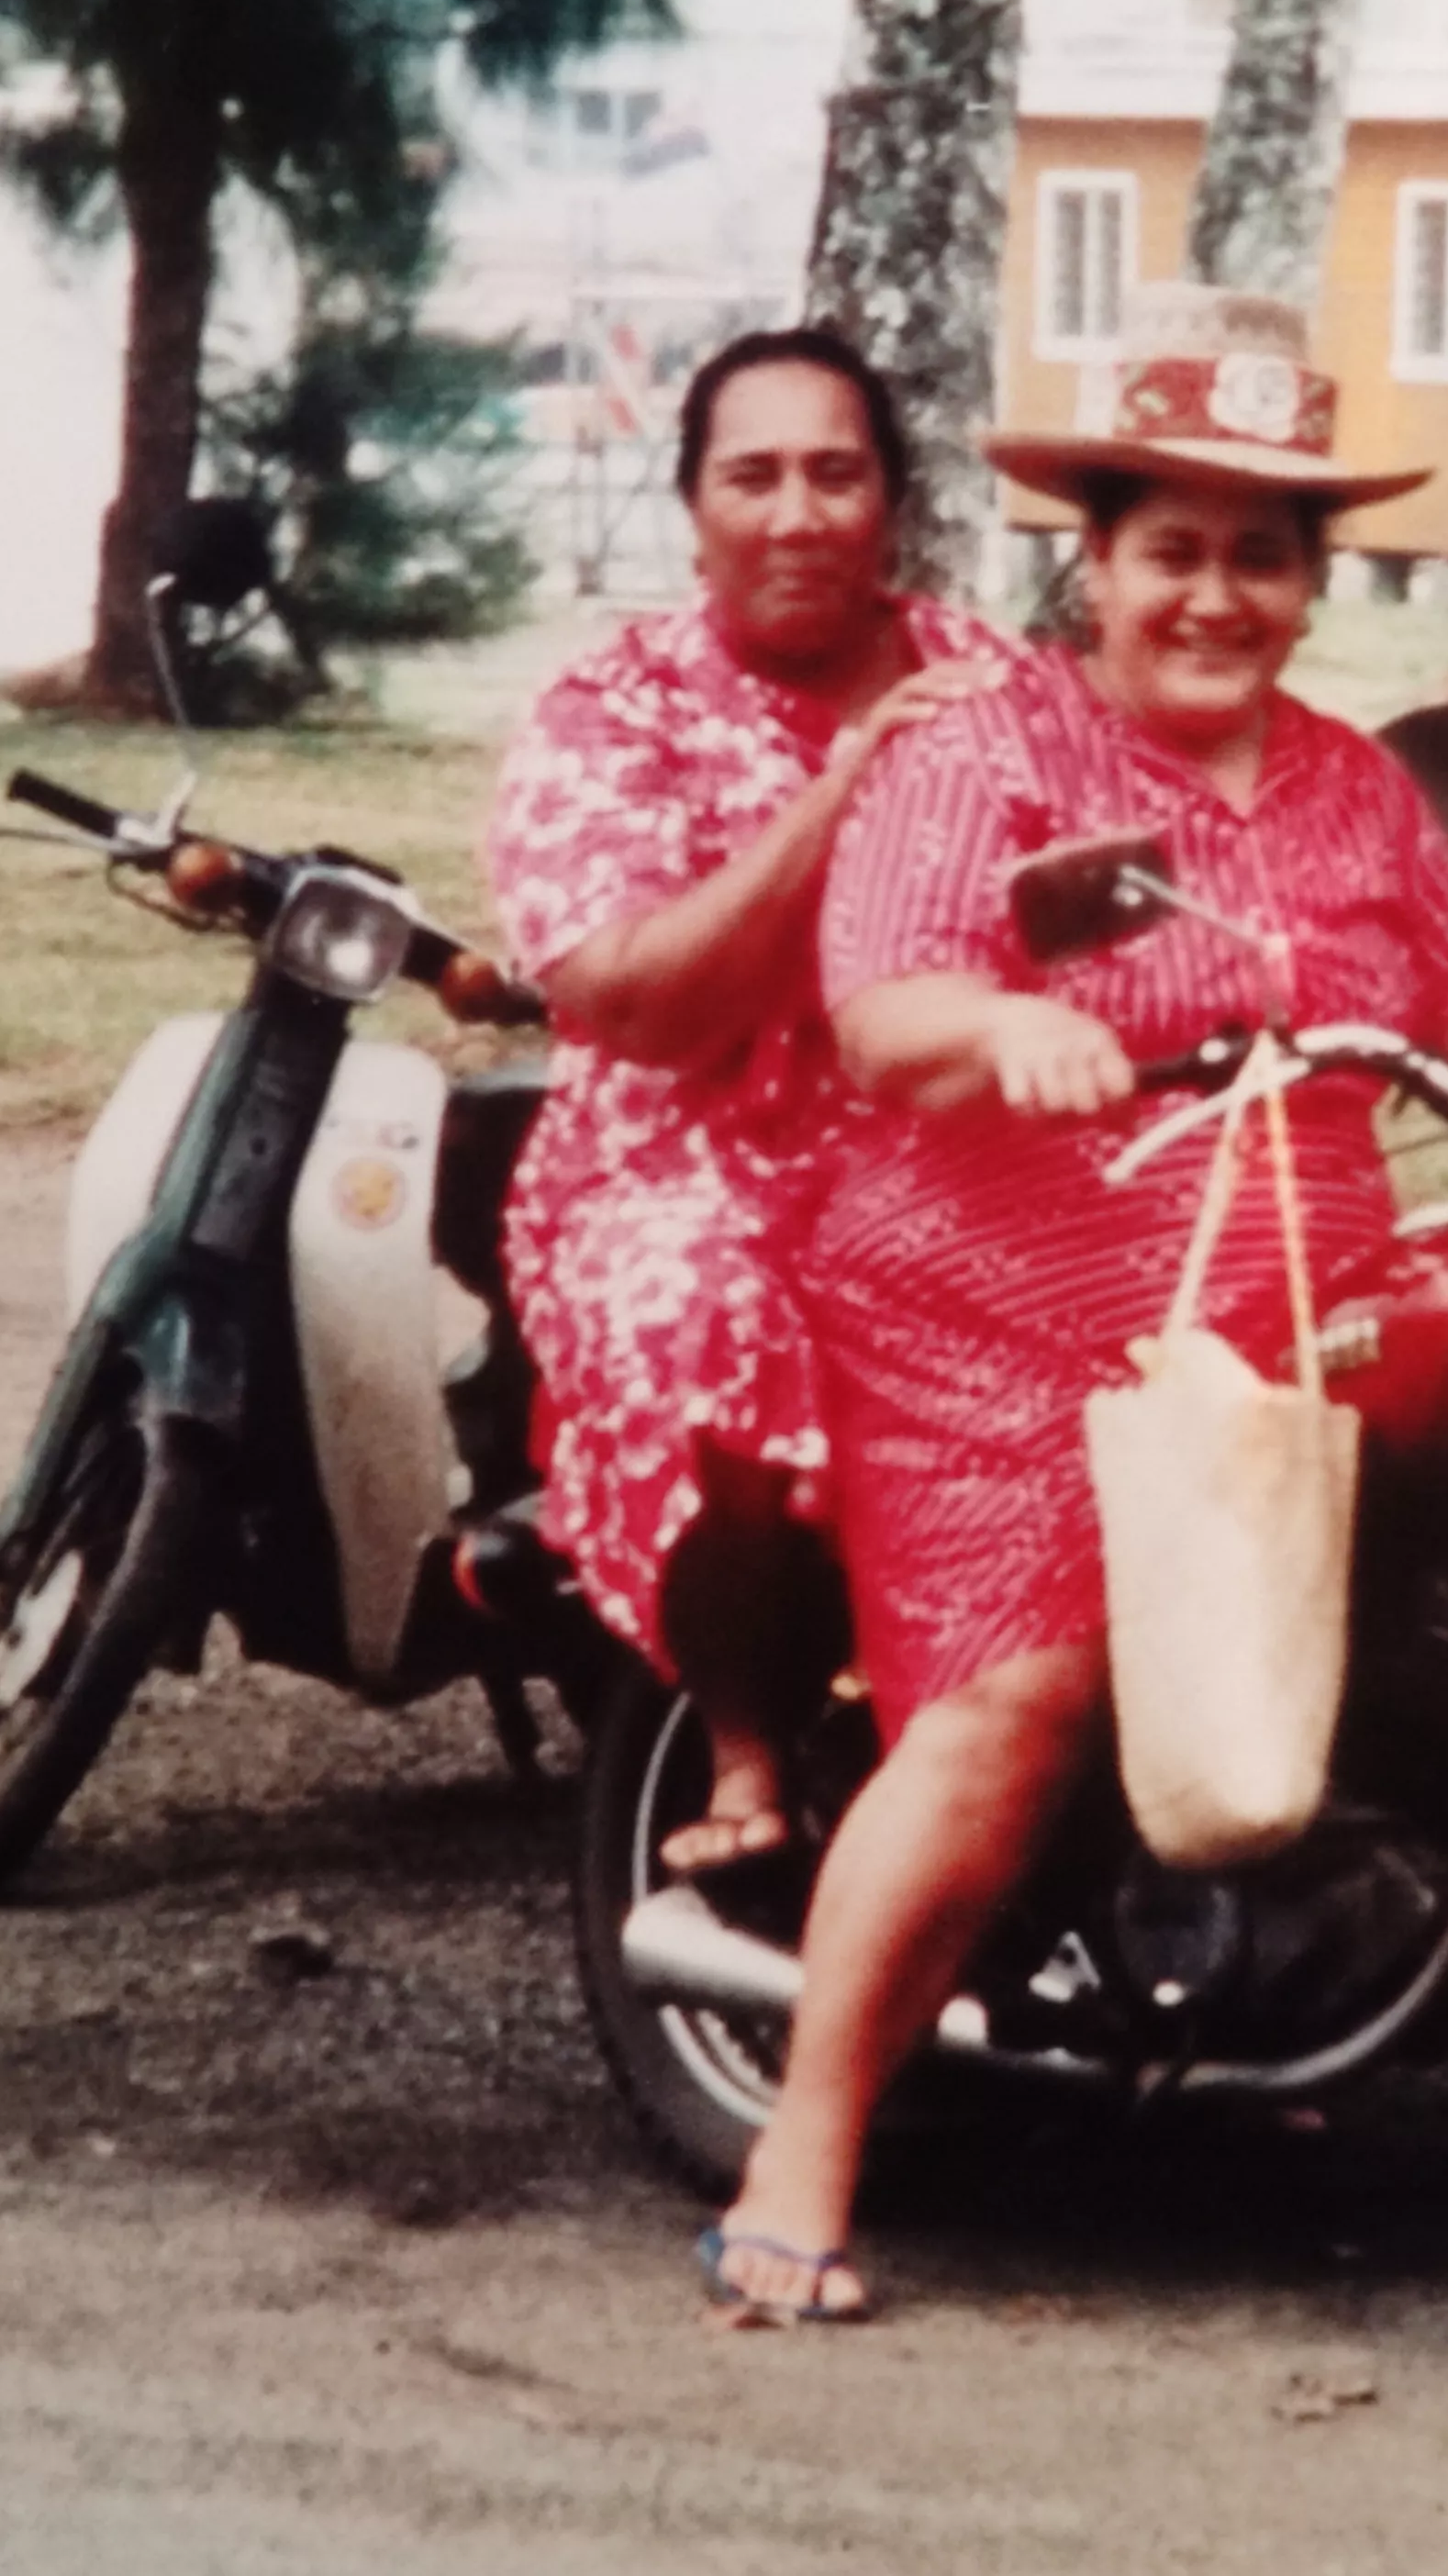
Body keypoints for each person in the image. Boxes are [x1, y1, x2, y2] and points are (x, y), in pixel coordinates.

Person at [693, 289, 1448, 2328]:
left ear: (1312, 579)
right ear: (1095, 560)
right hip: (990, 1305)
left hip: (1294, 1299)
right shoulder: (978, 747)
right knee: (1032, 1684)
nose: (1214, 594)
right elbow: (881, 1005)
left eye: (1261, 553)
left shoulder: (1350, 786)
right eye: (1172, 547)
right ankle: (800, 2151)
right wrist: (1004, 1025)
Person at [482, 328, 1012, 1879]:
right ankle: (743, 1736)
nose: (796, 515)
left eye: (835, 475)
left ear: (893, 501)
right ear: (694, 507)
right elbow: (637, 1003)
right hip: (678, 1164)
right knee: (705, 1310)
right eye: (753, 476)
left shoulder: (998, 684)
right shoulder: (612, 709)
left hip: (947, 1144)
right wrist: (842, 797)